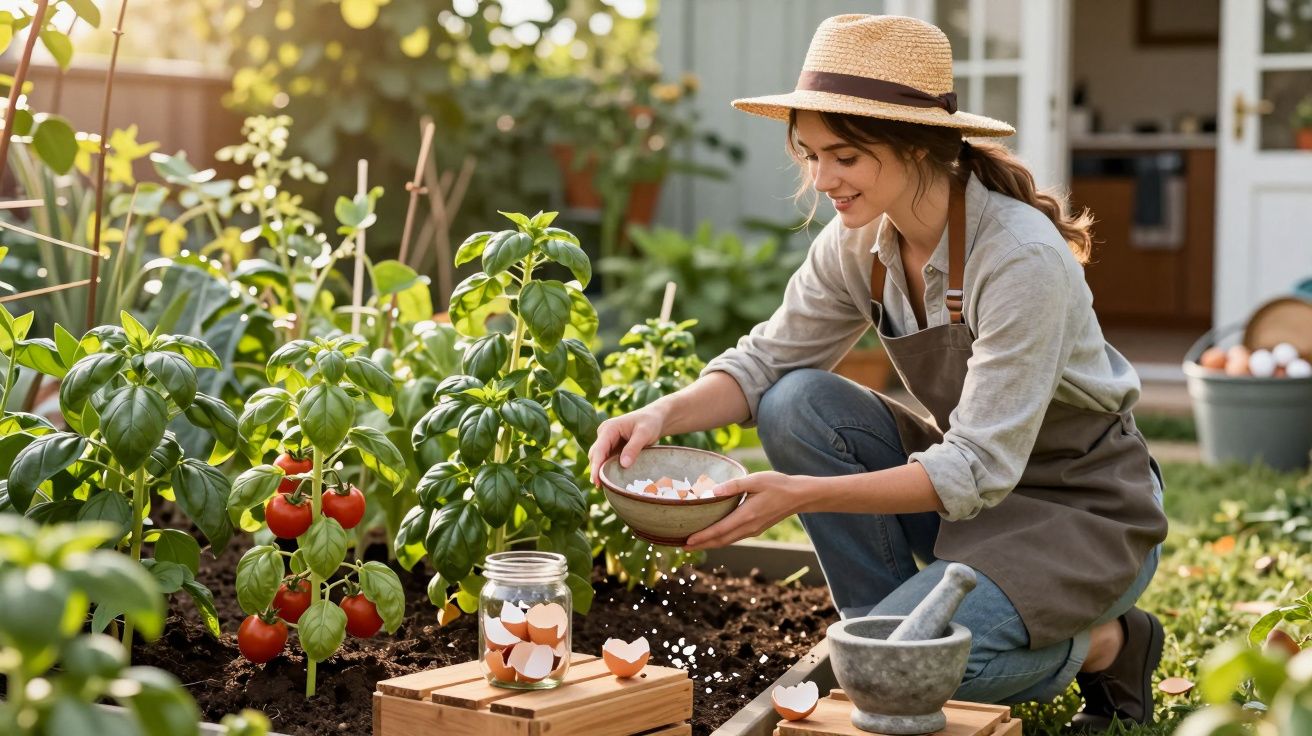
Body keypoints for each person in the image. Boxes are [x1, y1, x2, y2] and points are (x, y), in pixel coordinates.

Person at [586, 14, 1169, 733]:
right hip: (980, 501)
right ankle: (887, 641)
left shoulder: (1019, 258)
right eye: (810, 154)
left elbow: (978, 465)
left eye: (846, 157)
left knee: (917, 667)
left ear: (918, 147)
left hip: (1084, 511)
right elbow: (767, 361)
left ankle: (1110, 645)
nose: (822, 179)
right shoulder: (859, 240)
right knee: (795, 401)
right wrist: (660, 416)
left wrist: (802, 496)